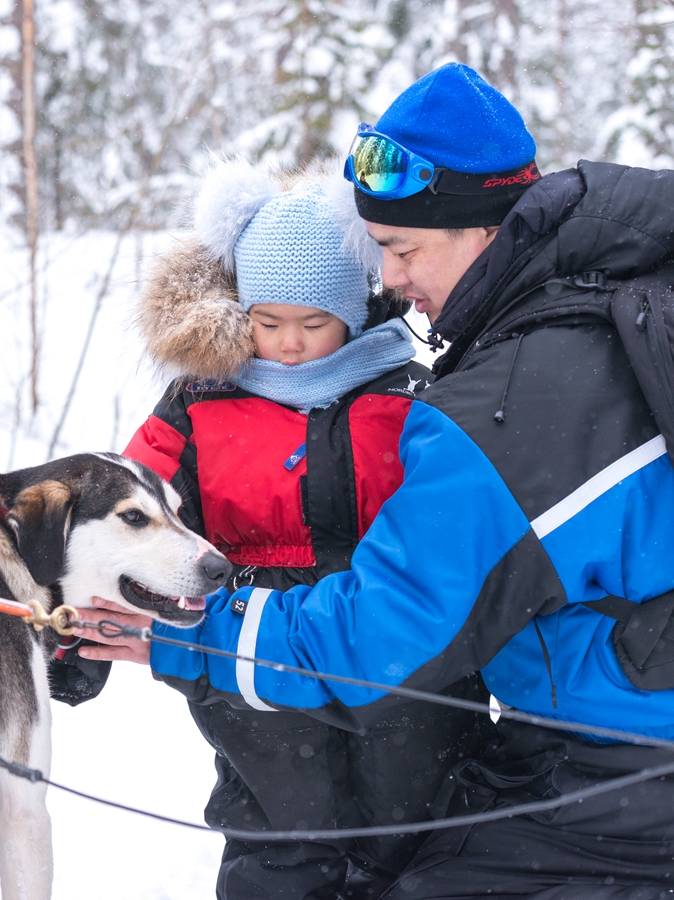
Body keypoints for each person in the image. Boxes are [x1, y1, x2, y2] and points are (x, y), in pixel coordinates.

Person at [96, 62, 674, 898]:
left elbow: (378, 639)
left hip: (616, 767)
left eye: (401, 250)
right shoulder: (625, 292)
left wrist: (182, 635)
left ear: (483, 228)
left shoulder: (517, 403)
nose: (391, 282)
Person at [75, 162, 485, 899]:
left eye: (312, 324)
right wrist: (81, 637)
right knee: (276, 840)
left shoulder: (408, 396)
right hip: (248, 658)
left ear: (356, 315)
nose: (288, 346)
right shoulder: (200, 404)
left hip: (389, 656)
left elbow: (454, 532)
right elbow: (128, 522)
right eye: (266, 323)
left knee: (411, 835)